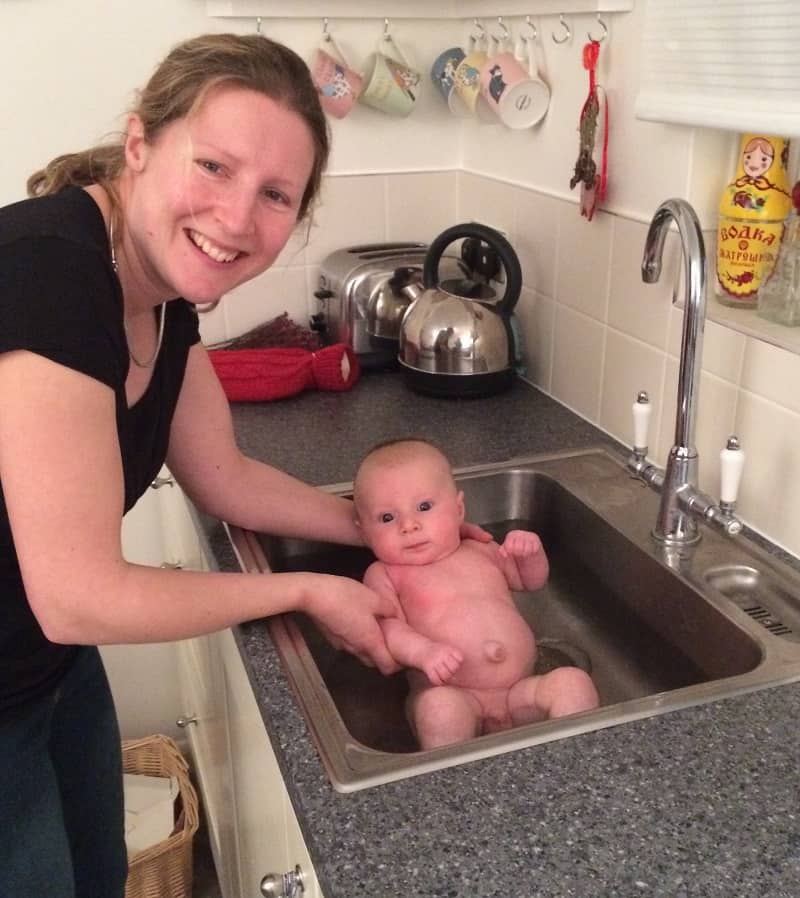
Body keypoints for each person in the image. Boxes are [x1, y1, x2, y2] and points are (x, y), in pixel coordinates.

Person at [0, 33, 409, 898]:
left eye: (274, 195)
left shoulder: (159, 285)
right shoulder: (49, 276)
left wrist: (383, 529)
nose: (236, 219)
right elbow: (76, 594)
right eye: (214, 166)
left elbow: (221, 475)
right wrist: (301, 590)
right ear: (141, 142)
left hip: (44, 667)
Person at [353, 439, 600, 751]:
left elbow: (529, 581)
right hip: (460, 697)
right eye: (387, 518)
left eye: (424, 507)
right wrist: (423, 652)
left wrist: (529, 553)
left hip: (519, 693)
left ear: (458, 509)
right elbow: (386, 629)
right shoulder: (385, 573)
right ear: (363, 532)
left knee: (573, 683)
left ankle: (573, 764)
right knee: (439, 709)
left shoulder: (481, 549)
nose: (409, 525)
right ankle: (455, 781)